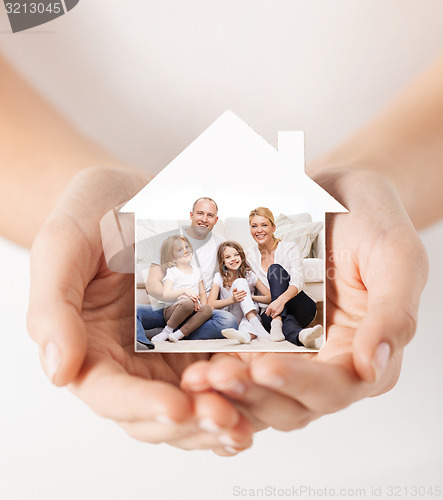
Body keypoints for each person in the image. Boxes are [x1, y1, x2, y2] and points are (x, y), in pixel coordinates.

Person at [1, 51, 440, 453]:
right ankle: (163, 330)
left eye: (226, 226)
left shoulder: (252, 256)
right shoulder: (177, 252)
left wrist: (355, 191)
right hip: (55, 415)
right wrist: (82, 210)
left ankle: (222, 331)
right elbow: (171, 284)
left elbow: (243, 293)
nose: (226, 242)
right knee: (186, 315)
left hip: (388, 406)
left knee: (230, 315)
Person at [136, 197, 238, 346]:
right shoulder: (171, 241)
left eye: (209, 215)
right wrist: (177, 299)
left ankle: (175, 332)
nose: (204, 219)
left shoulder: (220, 243)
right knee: (131, 311)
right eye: (200, 213)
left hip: (199, 312)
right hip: (170, 308)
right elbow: (152, 285)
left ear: (216, 220)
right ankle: (143, 341)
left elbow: (234, 266)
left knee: (229, 321)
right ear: (191, 215)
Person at [246, 207, 323, 348]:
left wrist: (280, 301)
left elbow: (297, 281)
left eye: (264, 225)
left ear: (274, 227)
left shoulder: (289, 248)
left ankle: (278, 319)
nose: (259, 230)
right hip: (269, 313)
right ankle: (302, 336)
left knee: (275, 270)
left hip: (300, 306)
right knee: (286, 322)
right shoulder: (248, 256)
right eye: (254, 226)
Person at [151, 235, 212, 343]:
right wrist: (184, 291)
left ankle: (179, 334)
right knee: (188, 303)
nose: (185, 251)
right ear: (172, 257)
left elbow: (202, 292)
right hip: (174, 311)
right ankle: (167, 331)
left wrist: (202, 306)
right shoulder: (173, 272)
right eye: (180, 250)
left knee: (208, 309)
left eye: (187, 247)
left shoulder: (197, 271)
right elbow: (166, 294)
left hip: (193, 310)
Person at [208, 241, 272, 344]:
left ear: (241, 256)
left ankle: (245, 335)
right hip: (231, 316)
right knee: (240, 282)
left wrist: (251, 297)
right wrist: (233, 299)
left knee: (247, 326)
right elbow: (210, 303)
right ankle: (257, 326)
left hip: (247, 318)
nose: (233, 259)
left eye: (236, 255)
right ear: (223, 261)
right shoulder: (219, 277)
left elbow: (269, 297)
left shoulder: (249, 274)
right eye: (228, 257)